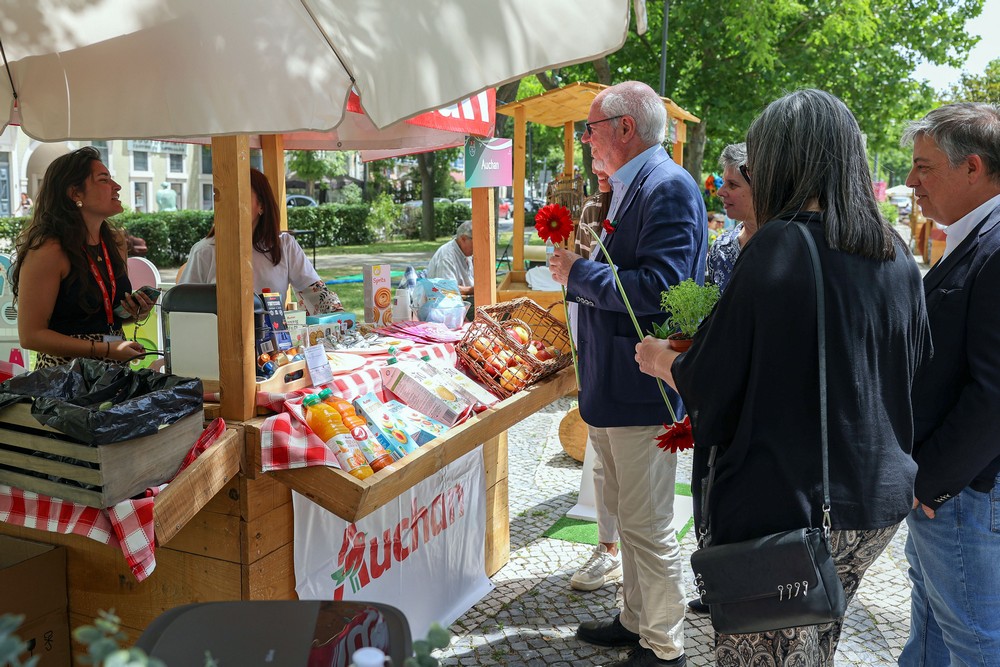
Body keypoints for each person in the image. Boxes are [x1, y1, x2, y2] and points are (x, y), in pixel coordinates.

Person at [634, 89, 931, 666]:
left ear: (779, 161)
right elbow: (911, 367)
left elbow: (714, 382)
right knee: (813, 644)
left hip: (792, 507)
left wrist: (662, 360)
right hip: (872, 505)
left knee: (766, 654)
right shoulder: (894, 252)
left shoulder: (780, 244)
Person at [548, 80, 706, 667]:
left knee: (647, 524)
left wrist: (578, 273)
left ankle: (664, 646)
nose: (586, 140)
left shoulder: (667, 187)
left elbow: (662, 288)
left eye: (591, 129)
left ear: (624, 127)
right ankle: (637, 619)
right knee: (632, 519)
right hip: (619, 384)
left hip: (642, 388)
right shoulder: (636, 183)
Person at [898, 103, 1000, 667]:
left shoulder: (995, 245)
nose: (912, 181)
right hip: (951, 487)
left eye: (924, 167)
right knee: (934, 632)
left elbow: (994, 393)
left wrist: (930, 481)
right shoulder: (975, 236)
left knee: (974, 644)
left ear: (973, 168)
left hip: (963, 490)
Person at [9, 147, 152, 368]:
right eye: (104, 180)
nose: (117, 186)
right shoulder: (49, 250)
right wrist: (105, 349)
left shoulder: (115, 242)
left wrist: (134, 312)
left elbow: (103, 317)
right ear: (75, 194)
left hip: (113, 374)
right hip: (65, 378)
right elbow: (31, 336)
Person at [568, 168, 622, 592]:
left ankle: (625, 552)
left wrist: (581, 276)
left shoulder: (642, 196)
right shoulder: (590, 208)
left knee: (627, 468)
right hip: (592, 340)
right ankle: (608, 546)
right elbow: (577, 273)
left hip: (626, 351)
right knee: (602, 461)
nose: (599, 167)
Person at [179, 168, 323, 299]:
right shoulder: (205, 250)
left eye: (240, 196)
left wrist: (337, 315)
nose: (231, 204)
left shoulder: (284, 245)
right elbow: (183, 306)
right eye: (225, 197)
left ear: (262, 205)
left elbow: (318, 297)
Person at [705, 143, 757, 292]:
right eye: (723, 183)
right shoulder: (721, 248)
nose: (720, 192)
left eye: (732, 184)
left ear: (761, 187)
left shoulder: (786, 246)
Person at [425, 220, 474, 297]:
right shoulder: (446, 256)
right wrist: (472, 290)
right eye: (476, 241)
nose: (479, 245)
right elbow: (446, 289)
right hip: (443, 302)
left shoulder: (467, 253)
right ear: (463, 239)